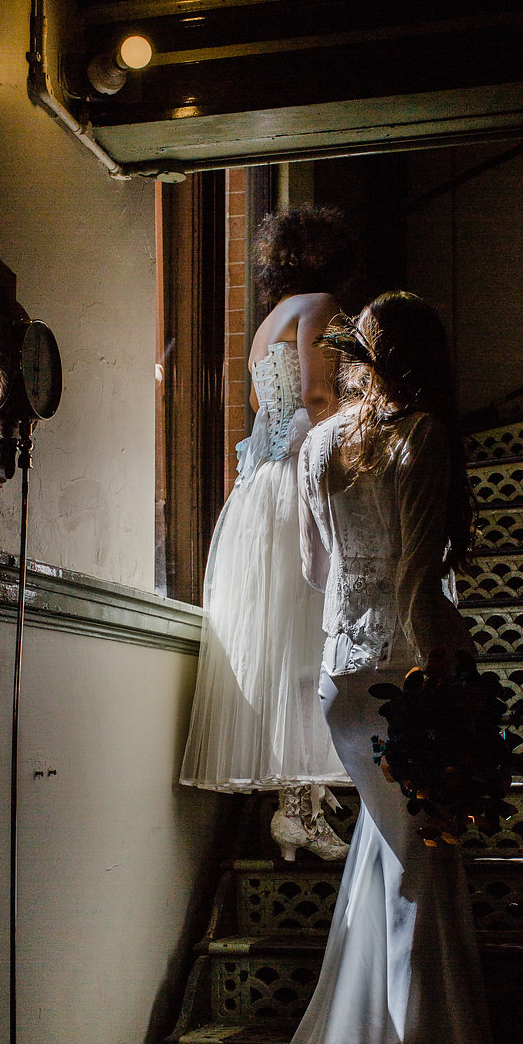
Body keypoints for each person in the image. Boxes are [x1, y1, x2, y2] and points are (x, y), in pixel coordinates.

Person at [175, 292, 523, 1044]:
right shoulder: (425, 438)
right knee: (415, 892)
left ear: (365, 357)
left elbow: (323, 573)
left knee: (390, 880)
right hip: (409, 673)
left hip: (342, 682)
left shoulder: (323, 444)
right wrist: (452, 674)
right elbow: (423, 584)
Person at [179, 206, 354, 859]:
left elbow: (262, 407)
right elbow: (315, 399)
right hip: (294, 484)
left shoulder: (267, 324)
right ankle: (299, 808)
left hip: (255, 495)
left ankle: (299, 799)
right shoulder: (323, 304)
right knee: (309, 641)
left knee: (290, 646)